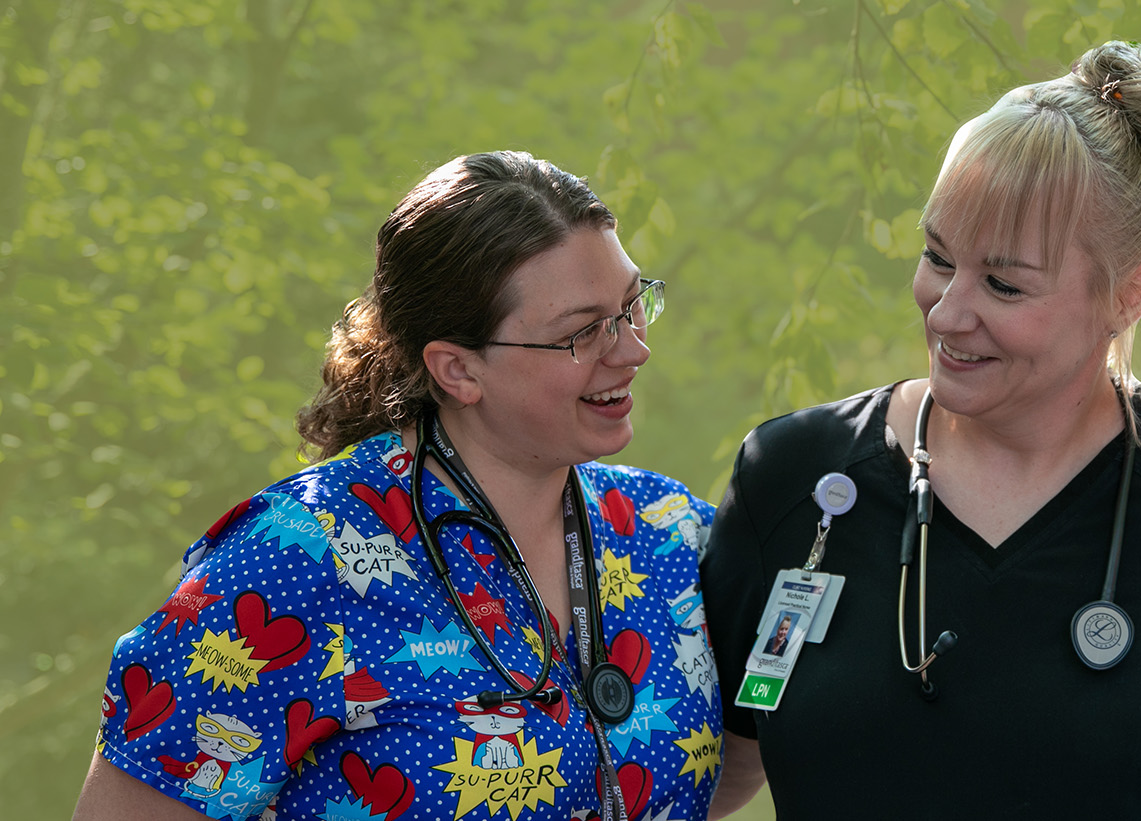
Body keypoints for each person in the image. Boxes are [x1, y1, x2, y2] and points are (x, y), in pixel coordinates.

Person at [701, 41, 1141, 818]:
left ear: (1129, 295)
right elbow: (702, 771)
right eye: (936, 256)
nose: (948, 311)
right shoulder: (794, 474)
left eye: (1003, 282)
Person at [73, 151, 751, 821]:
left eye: (632, 306)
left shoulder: (669, 530)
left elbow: (706, 771)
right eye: (583, 333)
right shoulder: (294, 560)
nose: (633, 349)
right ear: (458, 370)